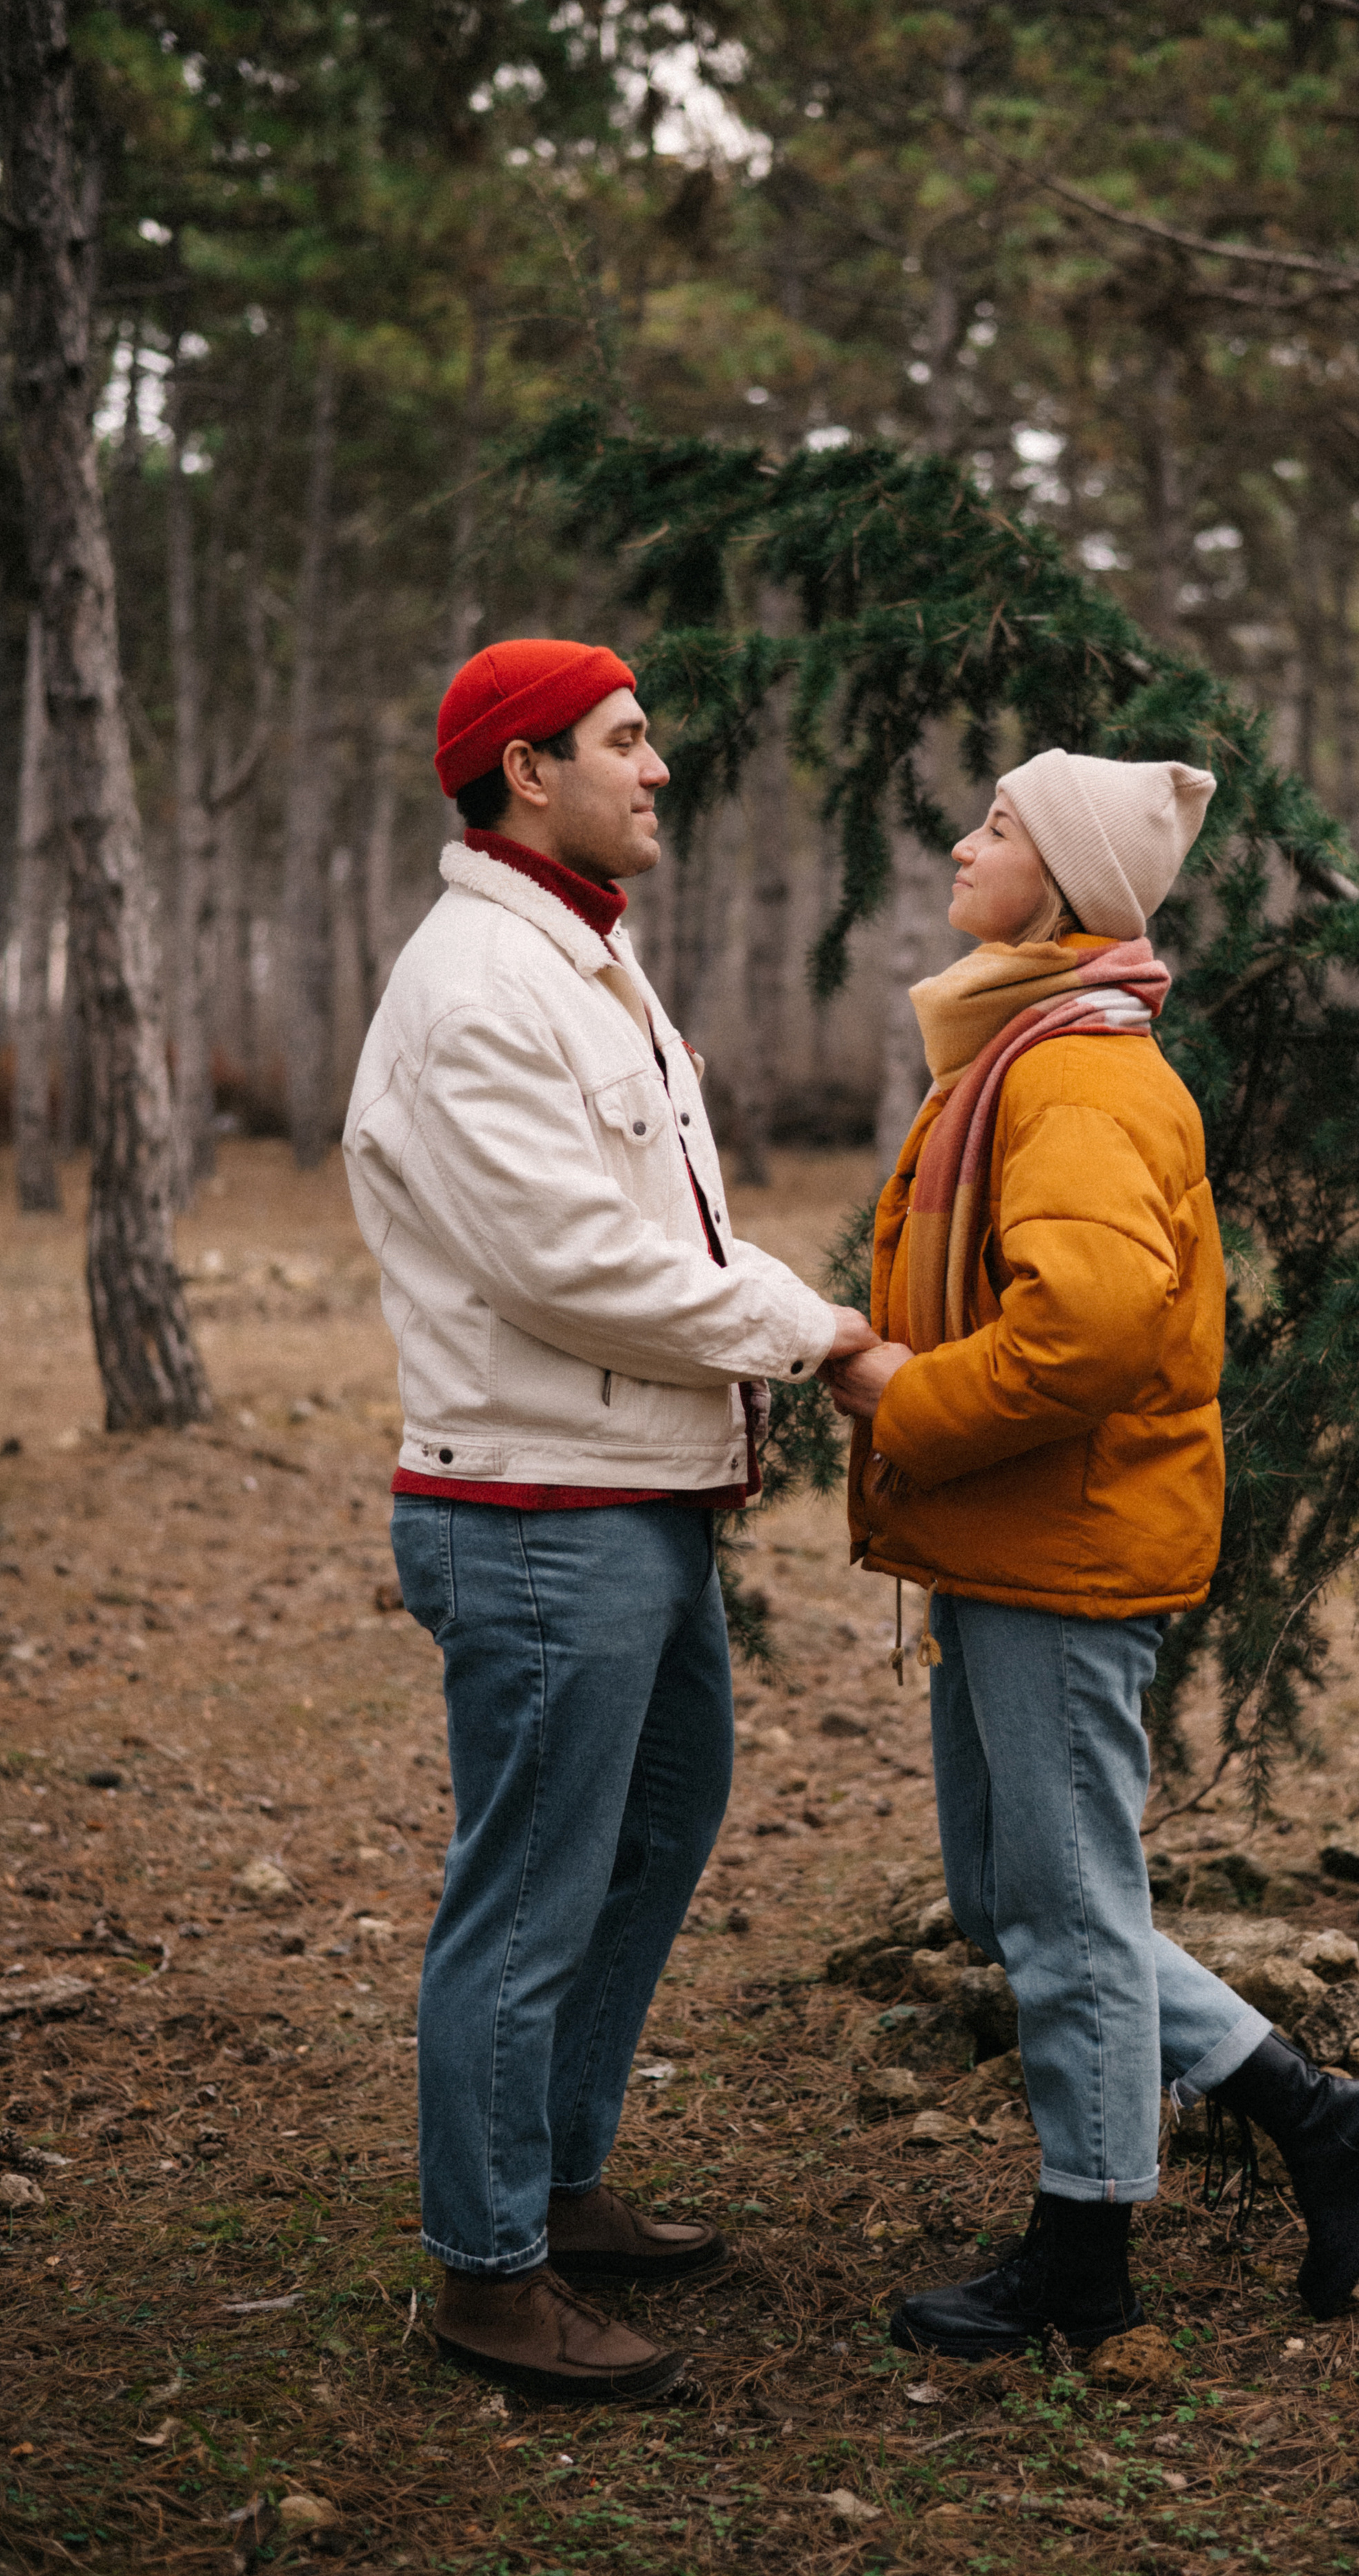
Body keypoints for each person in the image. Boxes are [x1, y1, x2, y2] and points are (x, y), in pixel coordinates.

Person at [826, 750, 1359, 2357]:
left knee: (1065, 1906)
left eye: (999, 826)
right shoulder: (1030, 1050)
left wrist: (901, 1398)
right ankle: (1314, 2113)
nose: (963, 843)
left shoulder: (1075, 1075)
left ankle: (1084, 2260)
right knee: (1007, 1892)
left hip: (1062, 1547)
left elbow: (1082, 1331)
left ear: (1073, 884)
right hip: (1016, 1537)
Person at [344, 639, 877, 2402]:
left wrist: (789, 1324)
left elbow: (664, 1228)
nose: (658, 770)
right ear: (525, 769)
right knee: (526, 1898)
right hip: (536, 1516)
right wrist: (818, 1334)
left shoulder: (580, 954)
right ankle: (489, 2279)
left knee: (652, 1831)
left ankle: (554, 2183)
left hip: (628, 1498)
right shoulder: (477, 988)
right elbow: (574, 1268)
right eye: (624, 741)